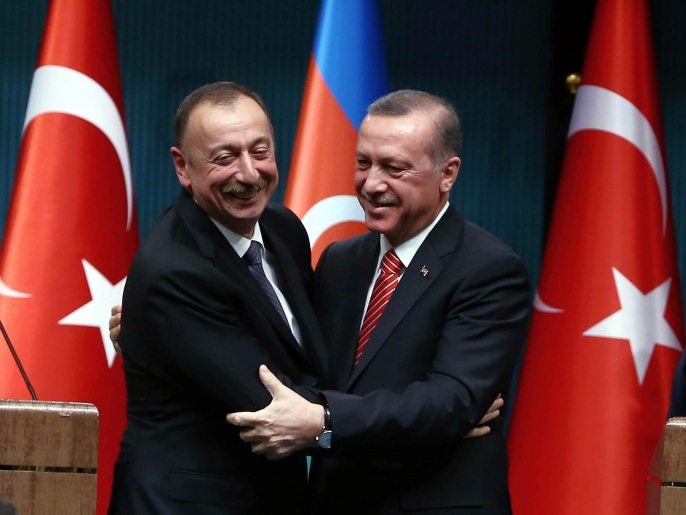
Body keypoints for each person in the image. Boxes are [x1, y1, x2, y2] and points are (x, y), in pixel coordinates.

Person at [227, 90, 532, 514]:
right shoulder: (340, 261)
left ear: (448, 174)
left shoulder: (489, 269)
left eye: (394, 168)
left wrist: (325, 421)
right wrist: (159, 321)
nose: (371, 184)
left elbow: (453, 401)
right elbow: (298, 358)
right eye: (363, 163)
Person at [107, 81, 329, 514]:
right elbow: (272, 409)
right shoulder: (174, 272)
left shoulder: (283, 229)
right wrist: (420, 415)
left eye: (260, 152)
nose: (249, 174)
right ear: (182, 166)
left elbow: (310, 356)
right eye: (225, 158)